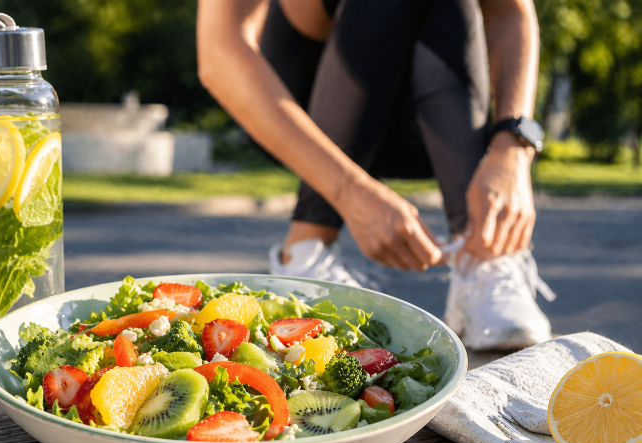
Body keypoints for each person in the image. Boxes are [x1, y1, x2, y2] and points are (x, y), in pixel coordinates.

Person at [196, 0, 555, 350]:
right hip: (296, 105)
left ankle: (484, 258)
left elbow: (510, 11)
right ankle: (305, 250)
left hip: (435, 116)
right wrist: (348, 191)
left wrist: (513, 149)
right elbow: (218, 52)